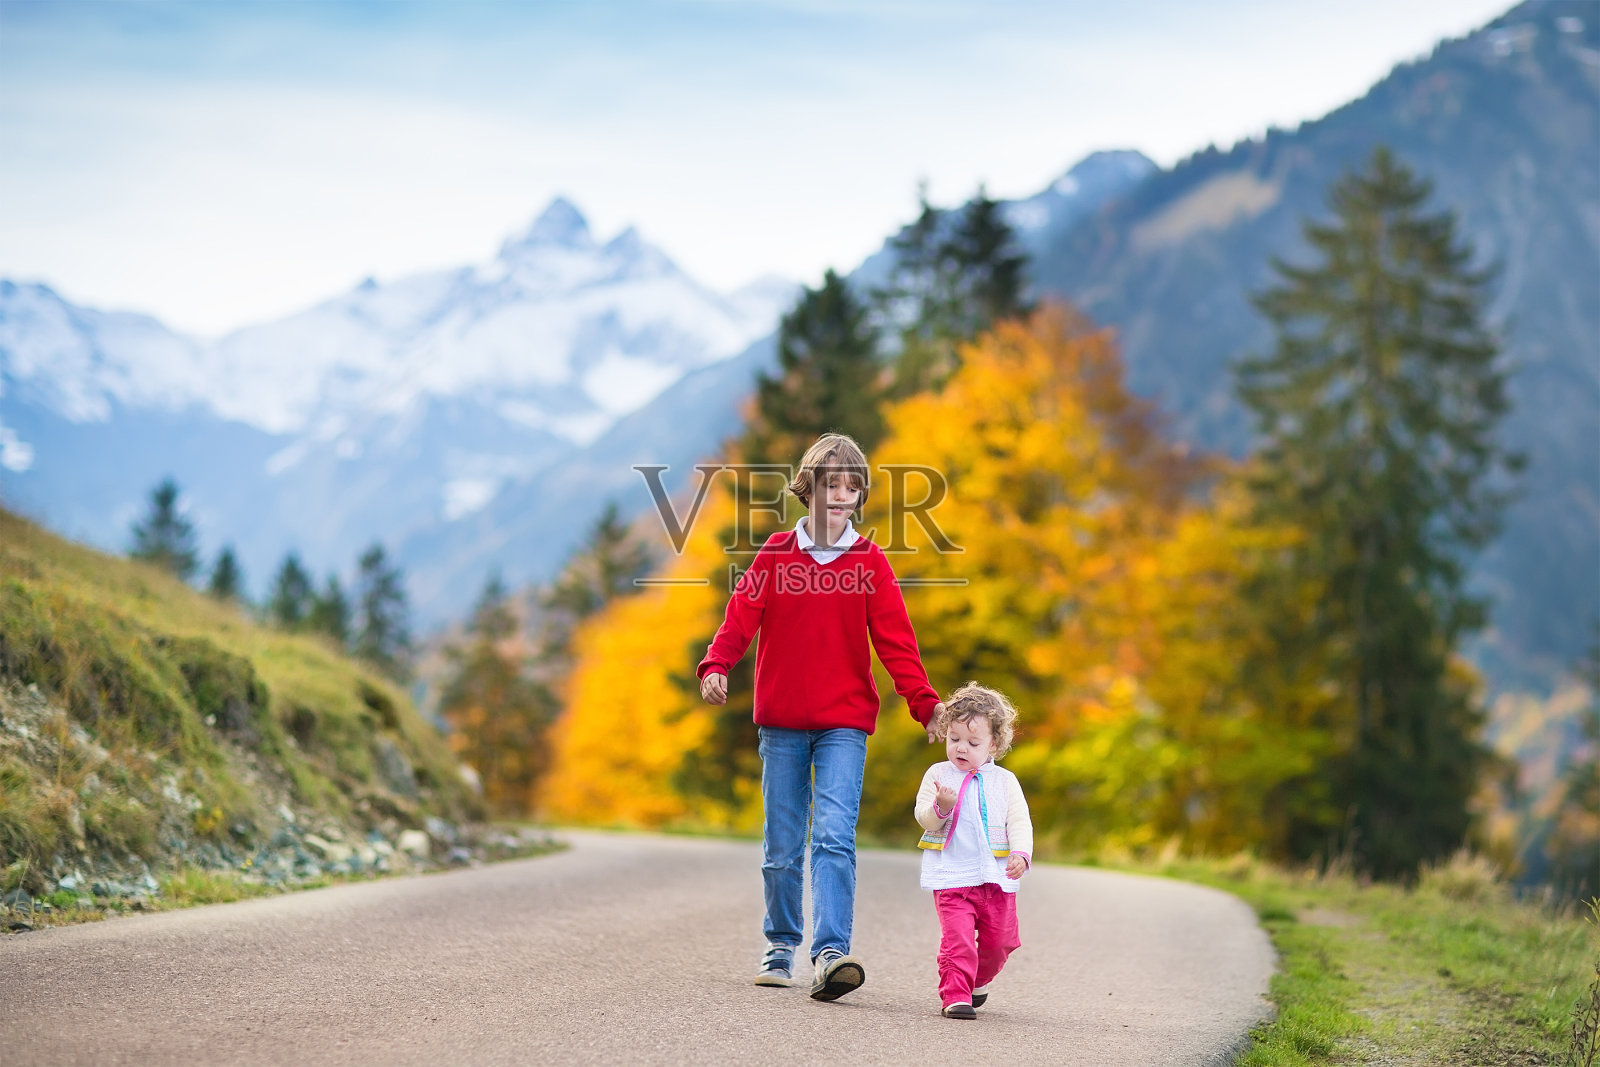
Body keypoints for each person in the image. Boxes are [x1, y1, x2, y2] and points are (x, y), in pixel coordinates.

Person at [698, 431, 945, 1001]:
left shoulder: (870, 562)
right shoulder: (776, 553)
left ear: (859, 497)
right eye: (831, 484)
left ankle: (831, 954)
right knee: (782, 845)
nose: (840, 495)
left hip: (844, 725)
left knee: (834, 837)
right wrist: (716, 664)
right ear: (807, 489)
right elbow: (740, 616)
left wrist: (924, 703)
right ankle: (780, 945)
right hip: (782, 723)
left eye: (851, 487)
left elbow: (896, 641)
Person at [914, 683, 1033, 1019]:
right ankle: (955, 995)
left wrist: (1021, 853)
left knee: (1001, 943)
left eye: (973, 742)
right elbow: (924, 818)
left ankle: (976, 980)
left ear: (993, 744)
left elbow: (1019, 821)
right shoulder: (938, 775)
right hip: (952, 876)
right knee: (958, 942)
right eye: (954, 739)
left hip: (996, 878)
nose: (961, 748)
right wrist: (941, 807)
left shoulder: (1005, 781)